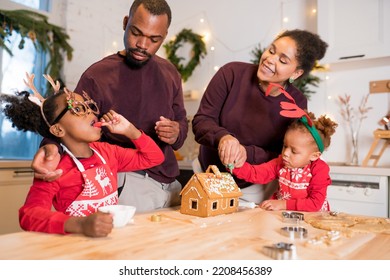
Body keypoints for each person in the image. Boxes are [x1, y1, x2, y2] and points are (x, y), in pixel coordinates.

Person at [30, 0, 188, 212]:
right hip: (129, 181)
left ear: (164, 36)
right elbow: (68, 121)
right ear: (125, 23)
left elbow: (181, 128)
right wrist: (50, 146)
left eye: (154, 39)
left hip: (171, 183)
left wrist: (176, 132)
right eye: (136, 32)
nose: (142, 44)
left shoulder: (171, 73)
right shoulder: (97, 76)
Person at [0, 73, 164, 237]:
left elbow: (154, 158)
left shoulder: (107, 152)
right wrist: (79, 224)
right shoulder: (53, 170)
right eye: (77, 109)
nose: (91, 114)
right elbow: (29, 215)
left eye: (89, 107)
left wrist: (131, 131)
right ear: (58, 130)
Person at [192, 29, 328, 204]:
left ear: (296, 73)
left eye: (283, 60)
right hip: (206, 176)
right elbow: (202, 121)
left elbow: (284, 154)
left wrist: (244, 152)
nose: (270, 59)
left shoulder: (296, 102)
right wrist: (223, 138)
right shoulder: (231, 73)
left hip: (252, 189)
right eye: (271, 51)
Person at [231, 87, 338, 211]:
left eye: (294, 151)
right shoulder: (281, 162)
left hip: (311, 218)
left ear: (314, 155)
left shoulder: (319, 169)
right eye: (285, 146)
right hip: (285, 214)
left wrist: (283, 204)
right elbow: (256, 173)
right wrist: (235, 164)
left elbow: (314, 204)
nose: (285, 153)